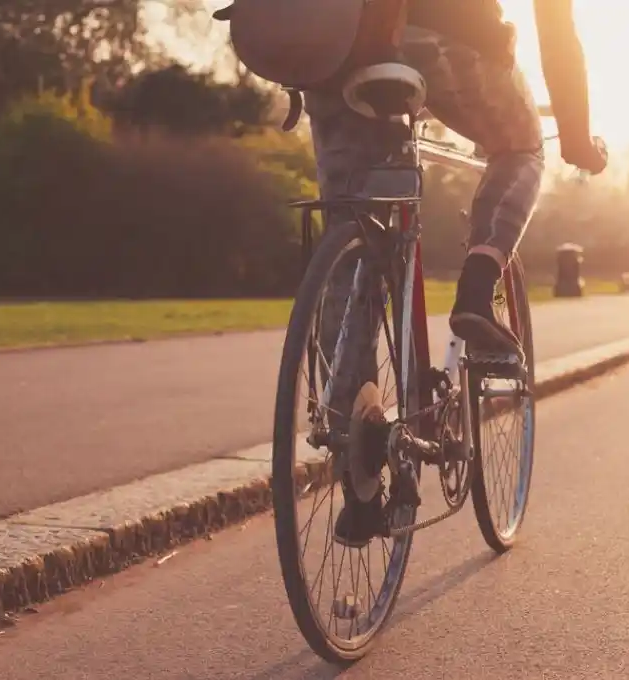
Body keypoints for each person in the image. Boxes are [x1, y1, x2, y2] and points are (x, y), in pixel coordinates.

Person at [220, 0, 607, 547]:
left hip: (332, 52)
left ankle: (358, 475)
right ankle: (477, 286)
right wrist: (576, 137)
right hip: (445, 40)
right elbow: (557, 25)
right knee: (520, 148)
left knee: (354, 237)